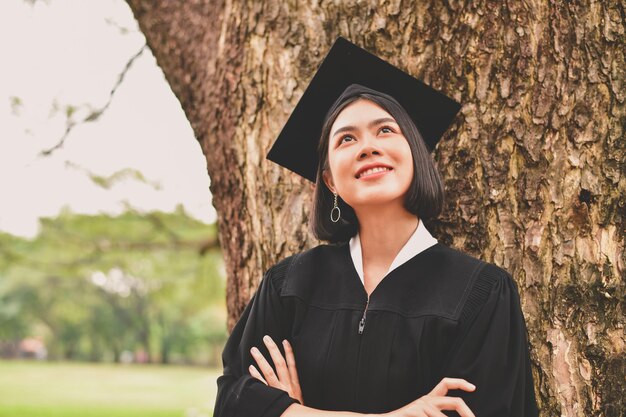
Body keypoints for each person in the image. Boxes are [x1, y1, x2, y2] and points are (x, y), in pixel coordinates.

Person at [213, 37, 539, 417]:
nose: (367, 147)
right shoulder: (289, 285)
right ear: (330, 180)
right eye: (346, 138)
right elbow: (234, 402)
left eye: (385, 130)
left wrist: (293, 412)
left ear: (415, 154)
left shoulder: (481, 294)